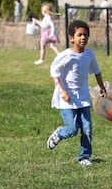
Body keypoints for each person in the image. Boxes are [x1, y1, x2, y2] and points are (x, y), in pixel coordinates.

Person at [45, 20, 107, 167]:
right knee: (72, 130)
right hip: (66, 99)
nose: (83, 38)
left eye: (85, 35)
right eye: (80, 35)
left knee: (87, 129)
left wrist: (101, 87)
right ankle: (60, 133)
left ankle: (84, 157)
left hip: (83, 98)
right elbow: (54, 72)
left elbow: (97, 71)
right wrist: (62, 91)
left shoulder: (89, 55)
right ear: (71, 37)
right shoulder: (66, 55)